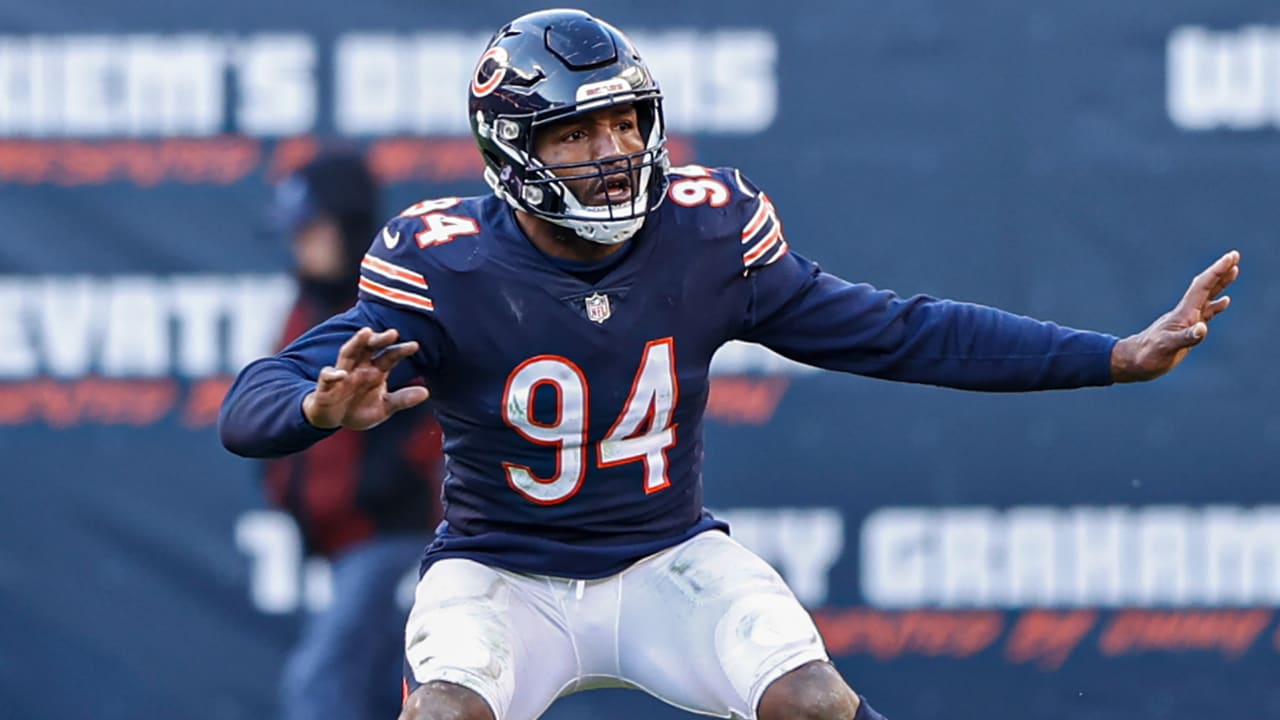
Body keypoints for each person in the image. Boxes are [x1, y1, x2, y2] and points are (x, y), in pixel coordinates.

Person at [220, 9, 1241, 720]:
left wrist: (1108, 356)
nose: (616, 151)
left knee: (809, 699)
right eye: (580, 133)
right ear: (512, 152)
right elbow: (248, 406)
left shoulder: (705, 234)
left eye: (627, 121)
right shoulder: (443, 261)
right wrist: (314, 405)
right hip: (502, 574)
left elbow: (899, 331)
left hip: (666, 560)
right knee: (443, 710)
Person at [260, 150, 445, 720]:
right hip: (342, 545)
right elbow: (273, 410)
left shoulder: (397, 302)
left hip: (395, 540)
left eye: (312, 229)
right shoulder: (307, 306)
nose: (300, 244)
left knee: (321, 687)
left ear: (348, 224)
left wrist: (388, 483)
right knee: (388, 692)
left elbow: (449, 410)